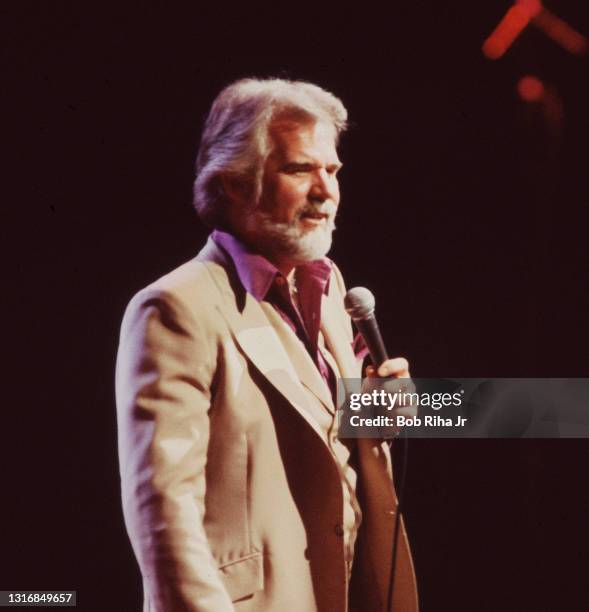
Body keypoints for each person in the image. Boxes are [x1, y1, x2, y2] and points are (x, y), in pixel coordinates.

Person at [115, 78, 419, 612]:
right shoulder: (175, 307)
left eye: (333, 170)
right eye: (301, 169)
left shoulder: (328, 289)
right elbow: (165, 519)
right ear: (233, 182)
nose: (326, 190)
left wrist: (375, 415)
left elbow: (321, 442)